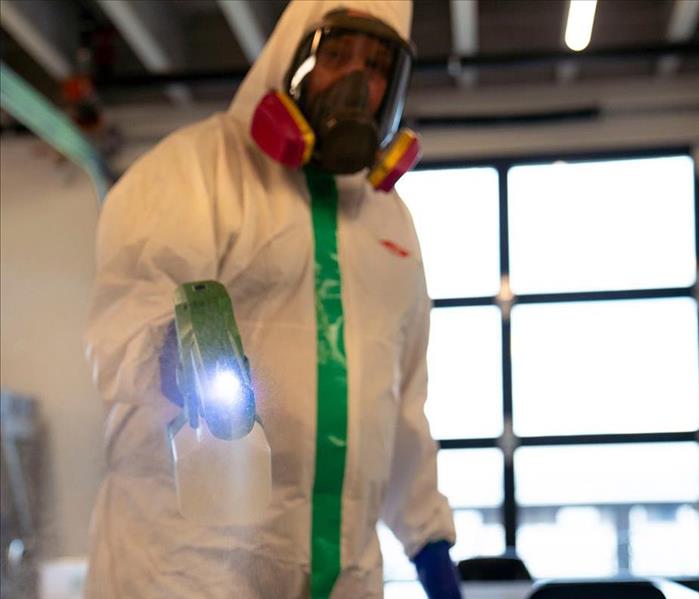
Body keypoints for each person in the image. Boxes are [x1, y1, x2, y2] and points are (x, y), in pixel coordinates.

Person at [84, 1, 461, 597]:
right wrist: (167, 352)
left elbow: (402, 406)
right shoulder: (195, 174)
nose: (358, 83)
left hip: (346, 575)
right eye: (336, 56)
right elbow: (125, 326)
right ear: (291, 56)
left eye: (378, 65)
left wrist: (429, 544)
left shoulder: (390, 221)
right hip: (194, 570)